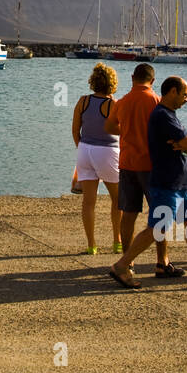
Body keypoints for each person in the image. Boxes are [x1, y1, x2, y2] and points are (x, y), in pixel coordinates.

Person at [108, 77, 187, 290]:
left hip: (181, 184)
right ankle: (121, 265)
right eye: (185, 95)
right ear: (172, 91)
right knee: (157, 228)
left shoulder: (170, 116)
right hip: (167, 183)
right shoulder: (163, 115)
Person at [104, 63, 180, 276]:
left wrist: (126, 130)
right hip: (152, 166)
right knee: (160, 213)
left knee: (128, 214)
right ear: (153, 81)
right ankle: (161, 261)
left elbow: (109, 127)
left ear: (132, 78)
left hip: (127, 163)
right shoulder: (157, 101)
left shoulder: (123, 101)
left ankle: (127, 261)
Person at [71, 62, 121, 254]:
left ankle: (91, 245)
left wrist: (82, 148)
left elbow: (75, 130)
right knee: (118, 200)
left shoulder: (83, 101)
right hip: (108, 152)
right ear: (112, 83)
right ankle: (117, 241)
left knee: (88, 202)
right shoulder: (113, 105)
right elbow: (122, 131)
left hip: (85, 150)